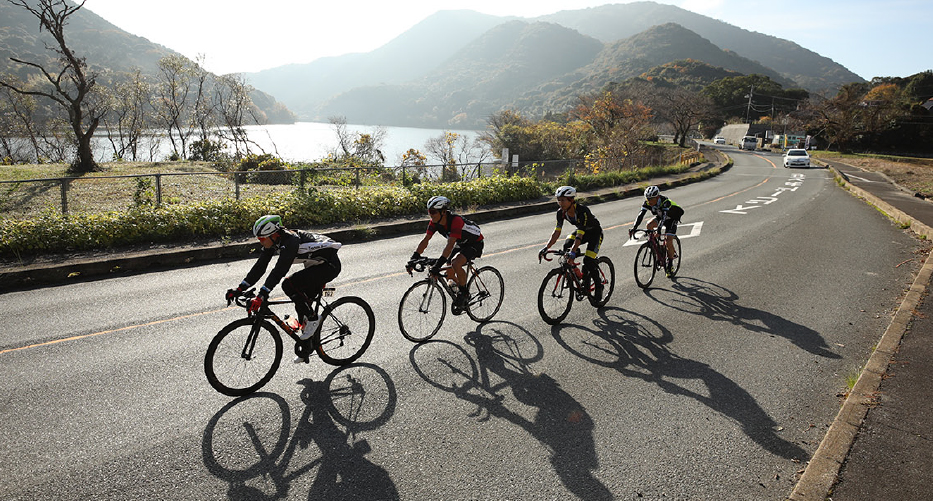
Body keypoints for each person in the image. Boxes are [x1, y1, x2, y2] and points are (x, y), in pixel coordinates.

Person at [226, 215, 342, 363]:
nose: (260, 241)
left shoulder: (291, 241)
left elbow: (279, 270)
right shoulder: (274, 242)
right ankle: (307, 347)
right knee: (302, 306)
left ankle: (313, 320)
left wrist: (262, 294)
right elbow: (260, 267)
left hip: (328, 266)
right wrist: (240, 288)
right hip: (314, 265)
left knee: (289, 284)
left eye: (262, 238)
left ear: (273, 234)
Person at [407, 196, 484, 314]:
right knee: (448, 267)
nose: (431, 215)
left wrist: (438, 265)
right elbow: (425, 240)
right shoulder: (434, 222)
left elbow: (450, 245)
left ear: (443, 212)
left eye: (433, 212)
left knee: (455, 263)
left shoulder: (455, 221)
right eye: (429, 212)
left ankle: (464, 293)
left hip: (475, 243)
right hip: (461, 243)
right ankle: (458, 286)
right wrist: (414, 257)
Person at [538, 186, 604, 301]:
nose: (560, 203)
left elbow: (580, 234)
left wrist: (574, 251)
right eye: (558, 200)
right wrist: (546, 247)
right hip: (580, 232)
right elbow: (556, 232)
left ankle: (599, 286)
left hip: (594, 233)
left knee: (588, 261)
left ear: (571, 200)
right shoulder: (560, 213)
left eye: (563, 200)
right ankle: (574, 272)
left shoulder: (582, 211)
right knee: (567, 245)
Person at [629, 185, 684, 276]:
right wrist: (634, 227)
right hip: (661, 216)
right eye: (647, 199)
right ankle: (656, 247)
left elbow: (665, 217)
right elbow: (641, 215)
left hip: (672, 218)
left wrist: (658, 230)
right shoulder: (648, 202)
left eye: (651, 199)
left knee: (668, 239)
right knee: (649, 225)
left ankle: (670, 264)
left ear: (657, 197)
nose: (649, 201)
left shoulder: (665, 202)